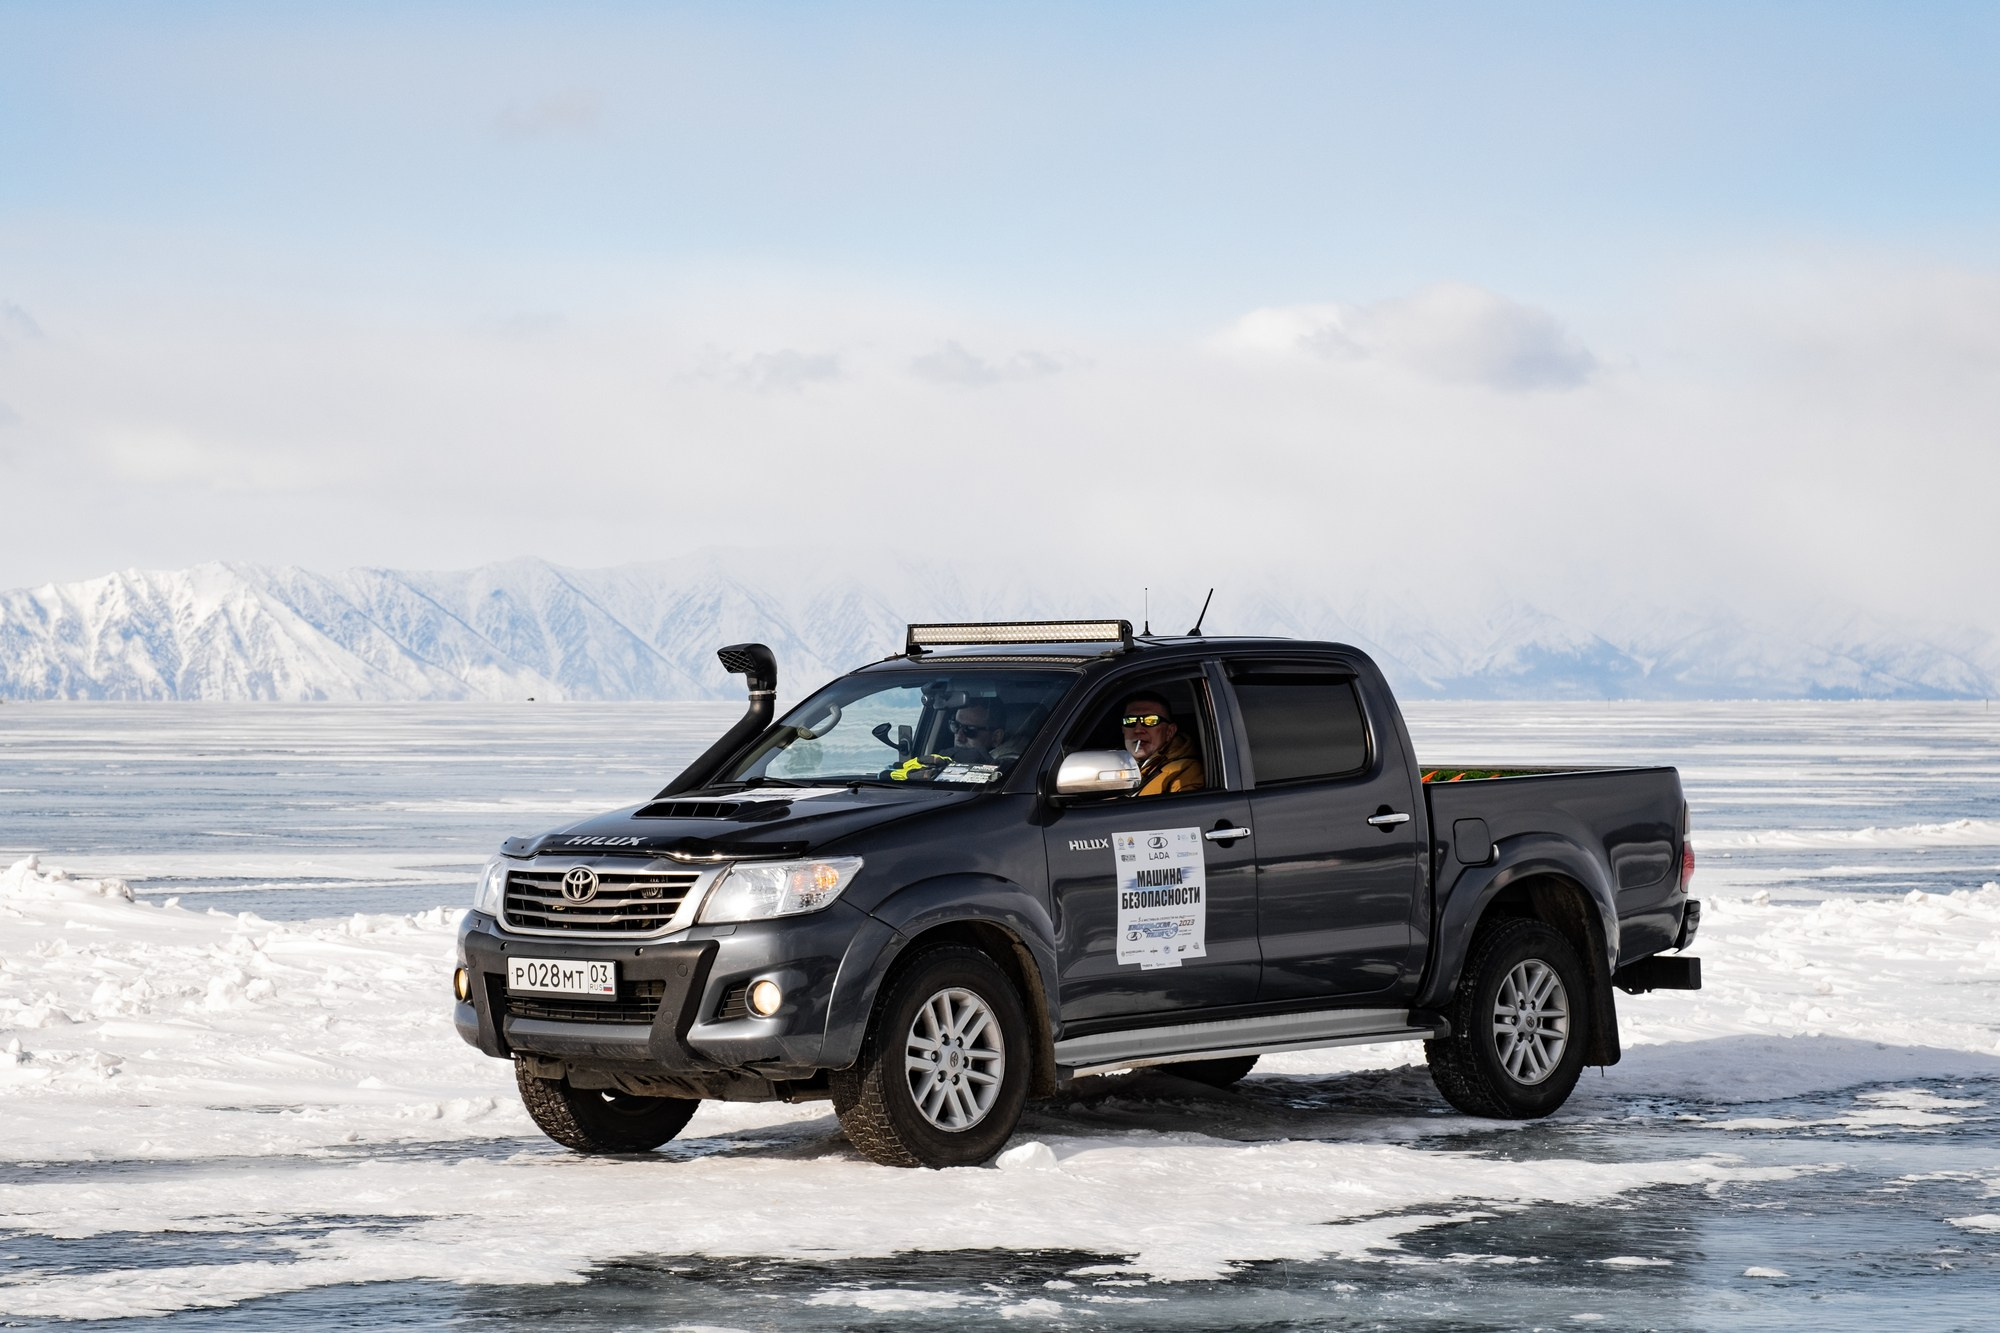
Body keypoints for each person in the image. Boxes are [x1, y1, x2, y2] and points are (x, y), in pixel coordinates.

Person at [1120, 693, 1204, 797]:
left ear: (1170, 731)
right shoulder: (1112, 767)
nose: (1138, 730)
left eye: (1150, 720)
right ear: (1123, 729)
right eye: (1130, 721)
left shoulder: (1184, 772)